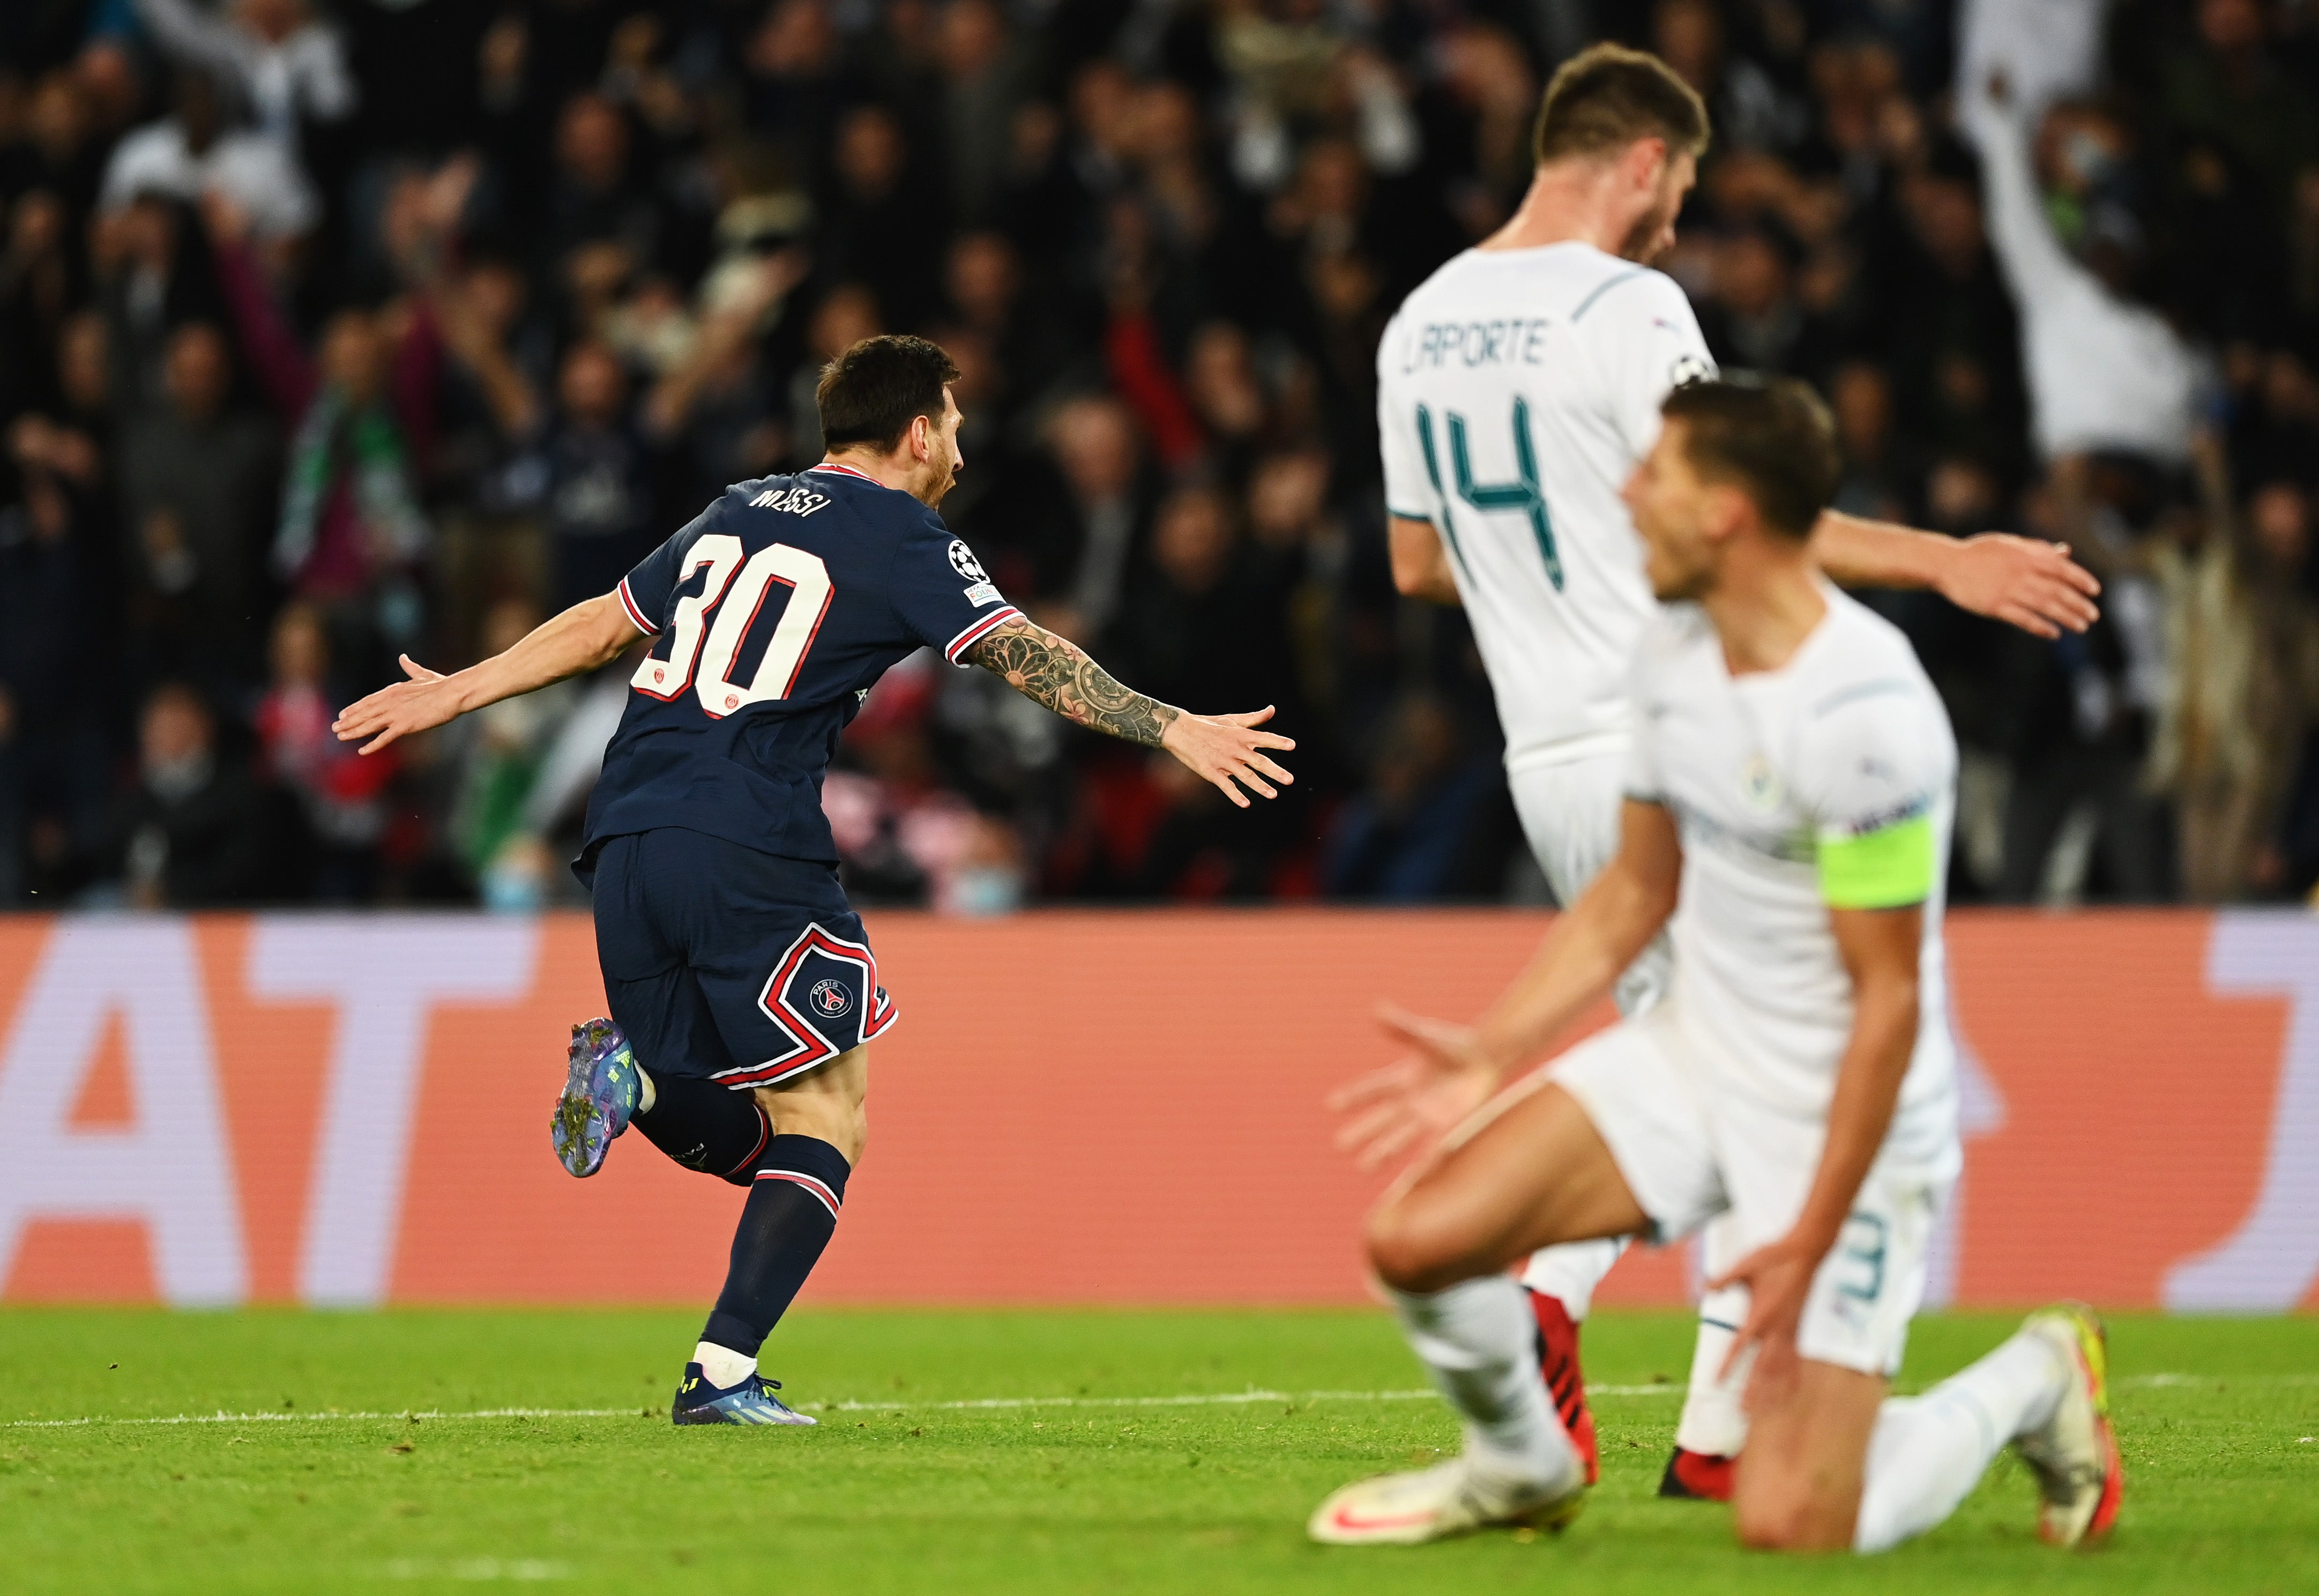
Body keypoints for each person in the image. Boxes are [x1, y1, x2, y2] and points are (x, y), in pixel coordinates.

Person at [1357, 41, 2104, 1501]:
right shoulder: (1631, 306)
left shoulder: (1418, 322)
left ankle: (1662, 1389)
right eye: (1680, 188)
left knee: (1694, 1052)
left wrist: (1545, 571)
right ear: (1641, 159)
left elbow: (1417, 564)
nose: (1679, 223)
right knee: (1756, 1067)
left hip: (1546, 759)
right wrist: (1947, 559)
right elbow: (1760, 517)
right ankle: (1639, 1352)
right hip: (1687, 741)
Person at [332, 335, 1293, 1424]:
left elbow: (609, 619)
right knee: (830, 1114)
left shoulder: (738, 507)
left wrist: (461, 689)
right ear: (918, 432)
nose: (965, 453)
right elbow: (1021, 650)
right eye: (956, 428)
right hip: (748, 839)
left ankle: (634, 1084)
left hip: (626, 834)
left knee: (761, 1126)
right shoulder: (903, 534)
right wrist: (1169, 726)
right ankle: (723, 1372)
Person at [1311, 378, 2121, 1553]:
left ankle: (2032, 1380)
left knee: (1793, 1521)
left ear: (1729, 512)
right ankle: (1522, 1464)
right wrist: (1492, 1048)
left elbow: (1887, 999)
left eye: (1657, 477)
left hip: (1844, 1108)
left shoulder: (1869, 711)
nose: (1627, 494)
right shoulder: (1670, 652)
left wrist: (1807, 1225)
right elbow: (1633, 894)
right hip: (1695, 1058)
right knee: (1417, 1240)